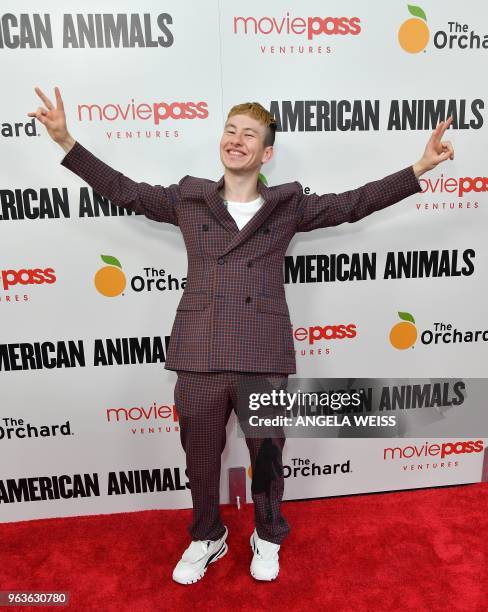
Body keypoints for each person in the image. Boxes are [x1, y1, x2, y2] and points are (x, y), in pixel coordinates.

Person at [29, 87, 454, 584]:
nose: (236, 140)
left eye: (249, 134)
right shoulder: (188, 198)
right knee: (201, 459)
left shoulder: (287, 206)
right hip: (200, 351)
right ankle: (207, 534)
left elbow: (353, 204)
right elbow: (126, 190)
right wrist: (66, 142)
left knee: (268, 457)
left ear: (265, 152)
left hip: (262, 351)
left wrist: (419, 168)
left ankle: (267, 534)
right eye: (230, 130)